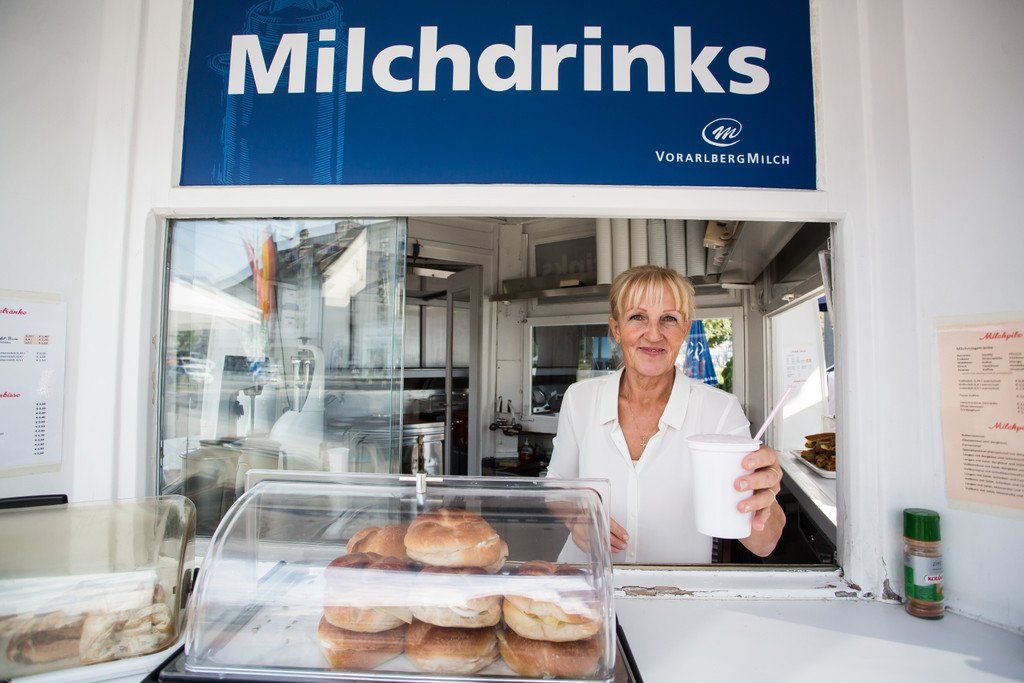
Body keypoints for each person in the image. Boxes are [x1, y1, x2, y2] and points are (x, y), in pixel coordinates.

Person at [546, 266, 785, 564]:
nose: (653, 334)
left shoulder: (720, 410)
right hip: (586, 580)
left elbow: (764, 545)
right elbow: (557, 485)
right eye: (637, 317)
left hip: (675, 588)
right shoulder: (580, 399)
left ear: (685, 329)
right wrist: (576, 519)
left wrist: (764, 498)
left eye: (669, 319)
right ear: (616, 329)